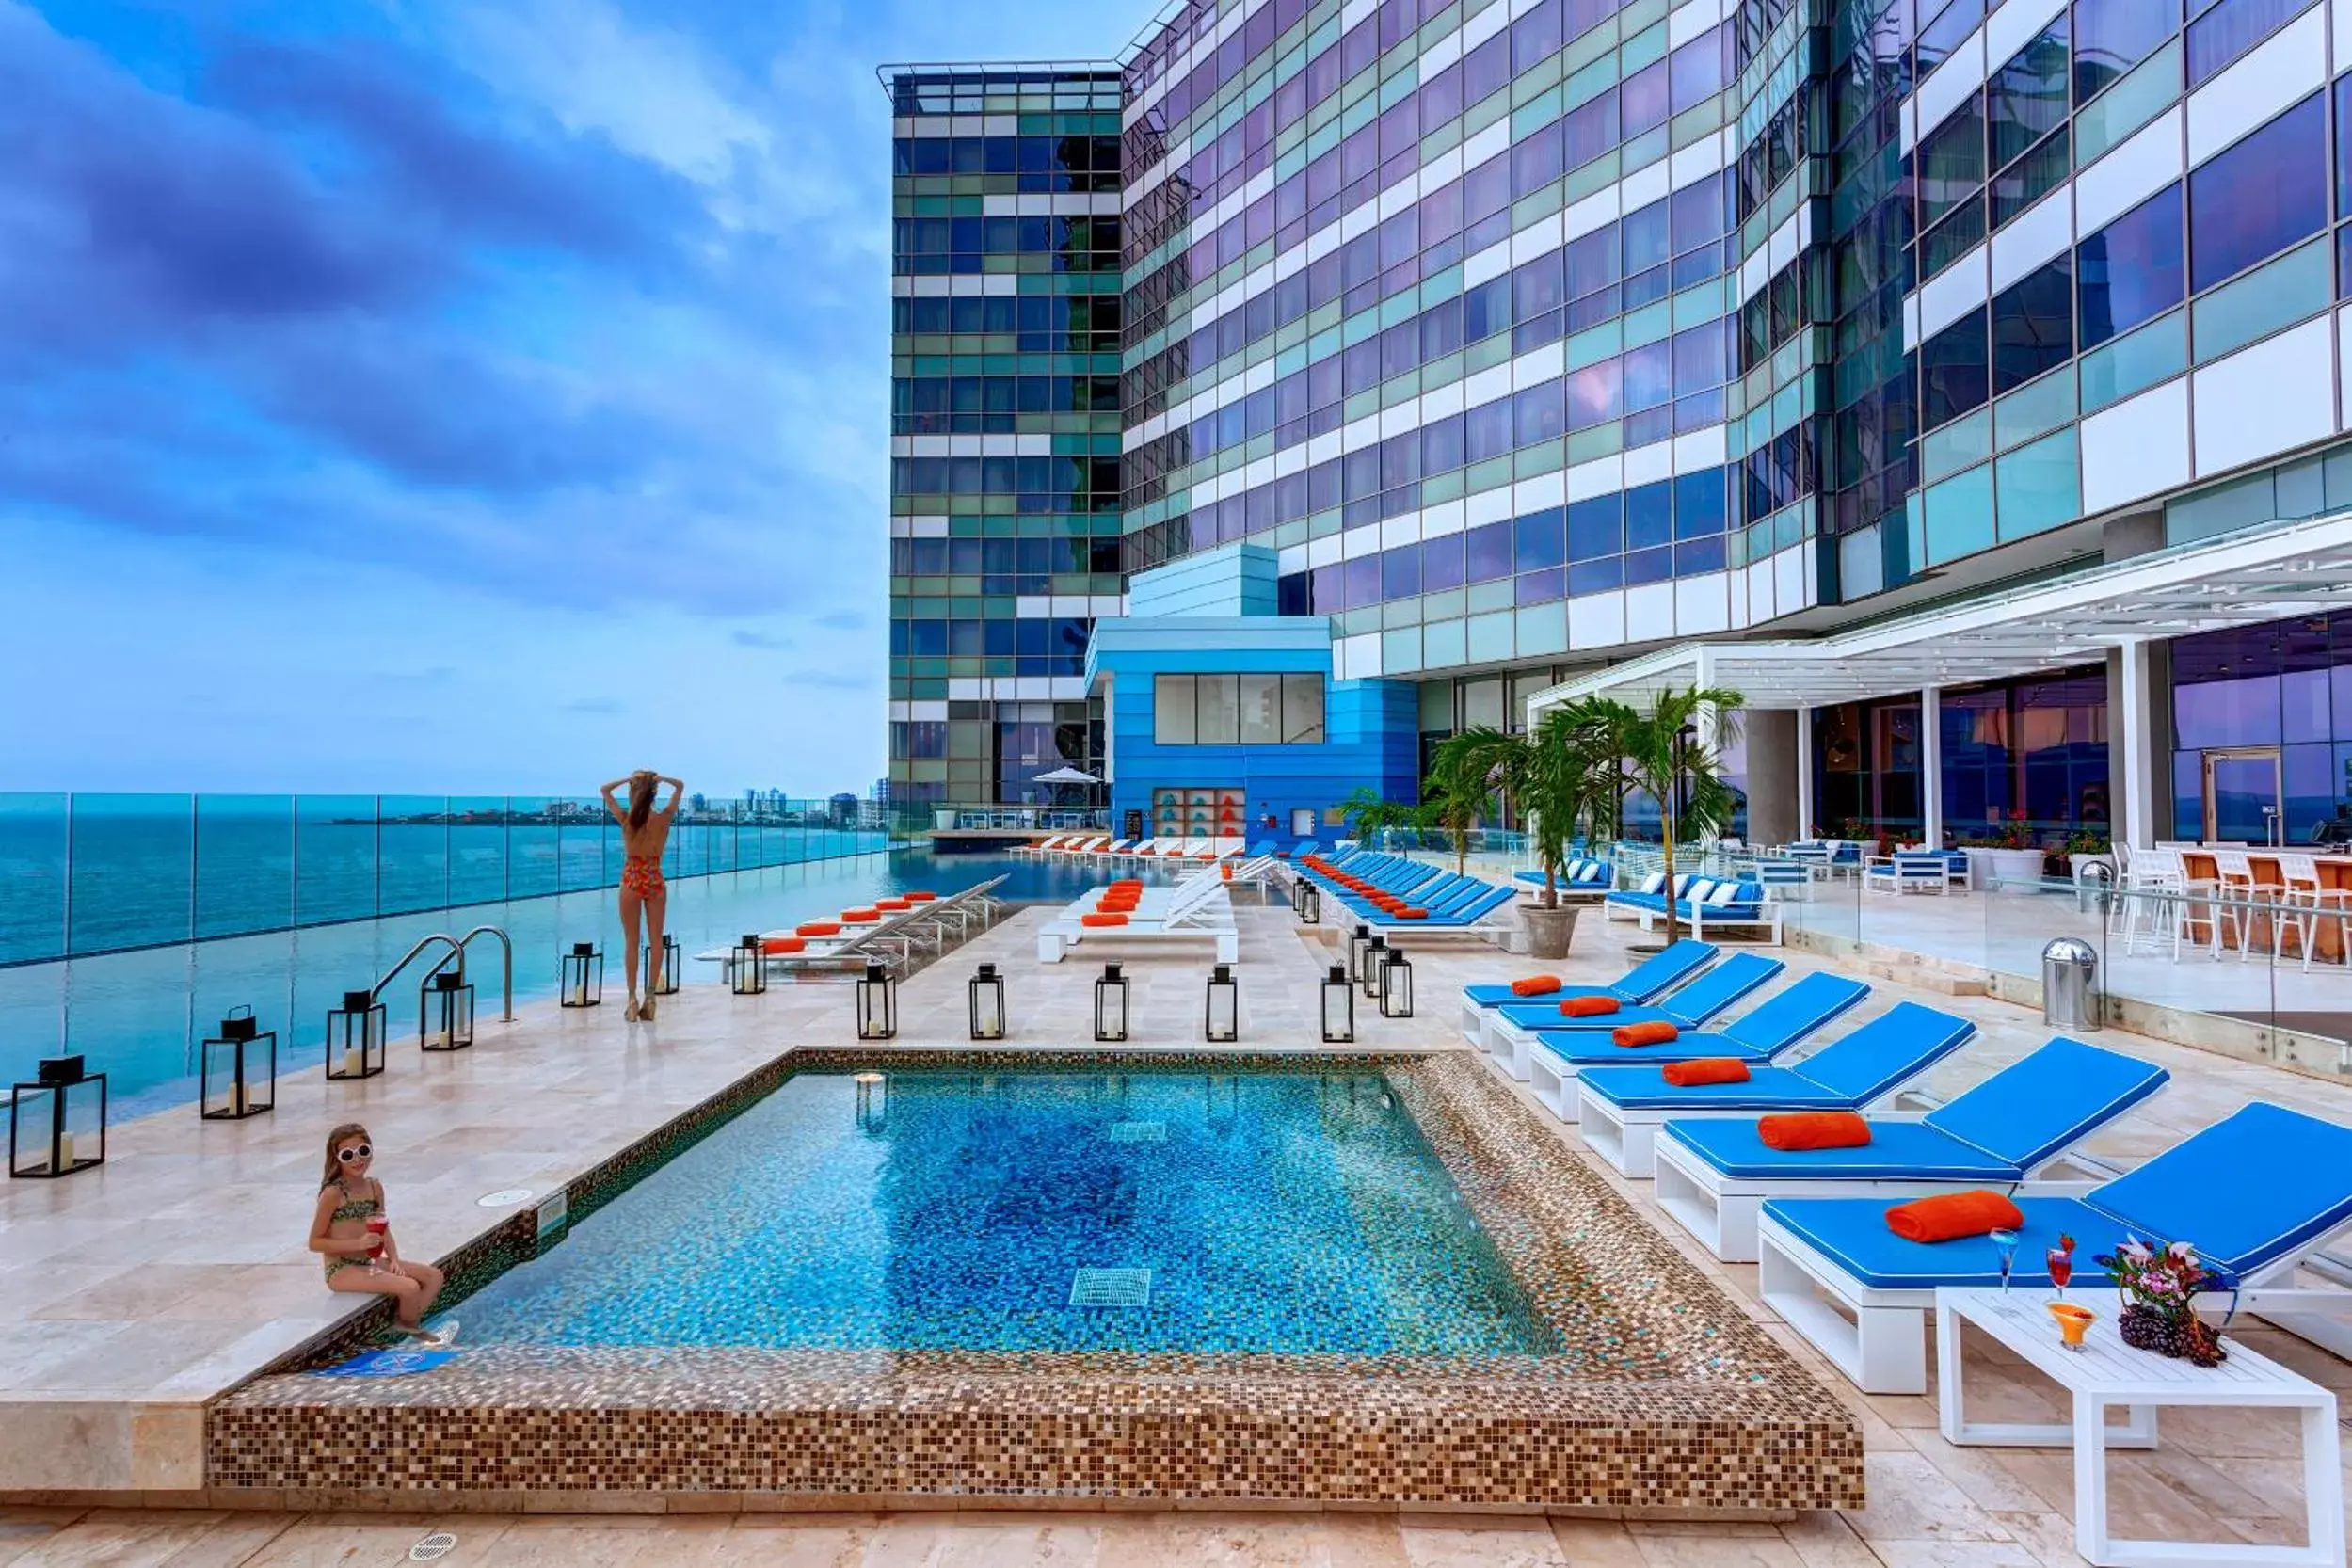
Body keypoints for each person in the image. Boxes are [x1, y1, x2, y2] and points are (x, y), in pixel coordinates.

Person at [309, 1122, 453, 1345]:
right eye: (348, 1155)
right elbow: (315, 1242)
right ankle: (409, 1333)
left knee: (434, 1276)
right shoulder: (333, 1193)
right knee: (410, 1287)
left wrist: (393, 1259)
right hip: (342, 1269)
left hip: (369, 1263)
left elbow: (382, 1228)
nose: (358, 1160)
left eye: (363, 1151)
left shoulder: (374, 1187)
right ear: (337, 1158)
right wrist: (358, 1244)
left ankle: (403, 1326)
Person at [600, 769, 683, 1019]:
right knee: (656, 939)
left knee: (631, 942)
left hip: (632, 878)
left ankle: (631, 997)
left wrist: (630, 780)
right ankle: (650, 995)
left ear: (633, 792)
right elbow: (680, 786)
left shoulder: (628, 821)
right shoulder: (664, 819)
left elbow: (605, 790)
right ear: (654, 793)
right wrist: (659, 780)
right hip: (655, 877)